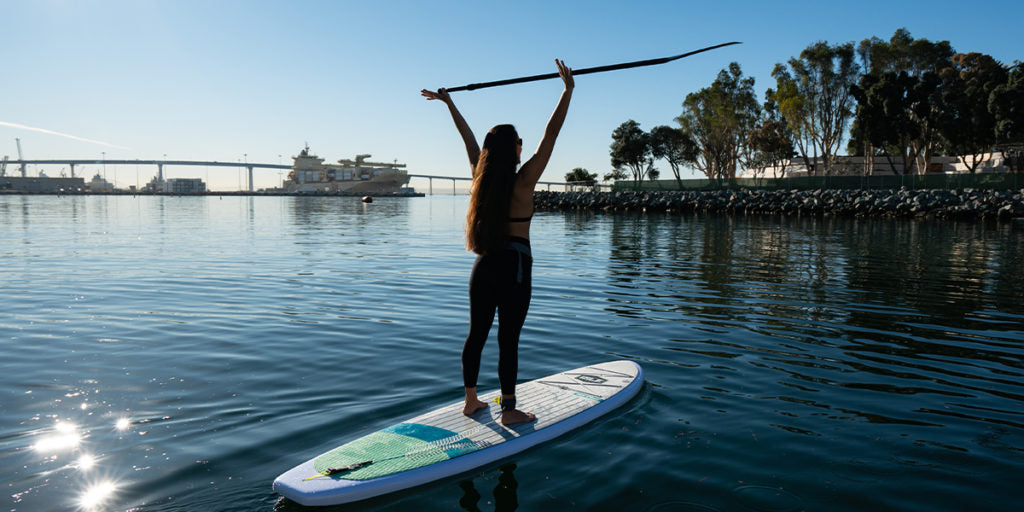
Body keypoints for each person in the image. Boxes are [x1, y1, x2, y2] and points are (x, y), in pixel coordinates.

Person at [421, 59, 574, 425]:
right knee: (509, 338)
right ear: (515, 149)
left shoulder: (481, 178)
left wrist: (450, 106)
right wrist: (567, 92)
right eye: (520, 143)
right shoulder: (523, 182)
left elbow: (469, 139)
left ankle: (471, 400)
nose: (525, 147)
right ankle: (509, 410)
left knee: (476, 334)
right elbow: (550, 138)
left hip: (484, 263)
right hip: (515, 265)